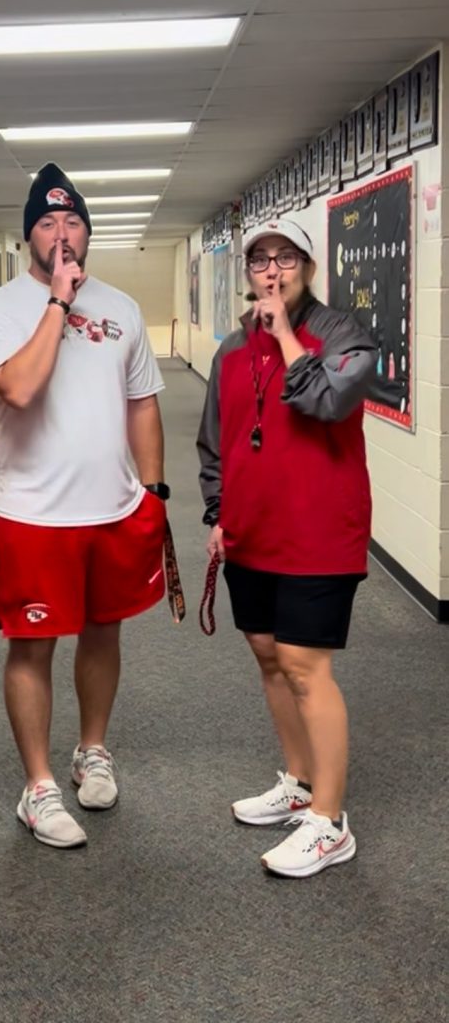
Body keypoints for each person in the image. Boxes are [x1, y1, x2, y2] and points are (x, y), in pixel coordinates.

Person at [0, 163, 168, 850]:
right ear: (29, 235)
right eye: (48, 223)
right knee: (32, 647)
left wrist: (152, 493)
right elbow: (19, 390)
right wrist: (57, 302)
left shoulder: (120, 308)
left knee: (103, 631)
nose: (62, 233)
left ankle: (92, 750)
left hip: (113, 509)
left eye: (73, 221)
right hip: (32, 511)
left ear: (89, 231)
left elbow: (142, 402)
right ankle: (37, 786)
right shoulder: (0, 307)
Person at [197, 218, 376, 878]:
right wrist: (218, 510)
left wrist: (282, 335)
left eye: (284, 257)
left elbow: (326, 402)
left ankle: (328, 821)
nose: (270, 270)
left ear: (306, 265)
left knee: (304, 664)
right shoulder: (229, 351)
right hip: (251, 531)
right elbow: (215, 437)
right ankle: (299, 781)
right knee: (269, 658)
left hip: (319, 531)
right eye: (258, 259)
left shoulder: (343, 337)